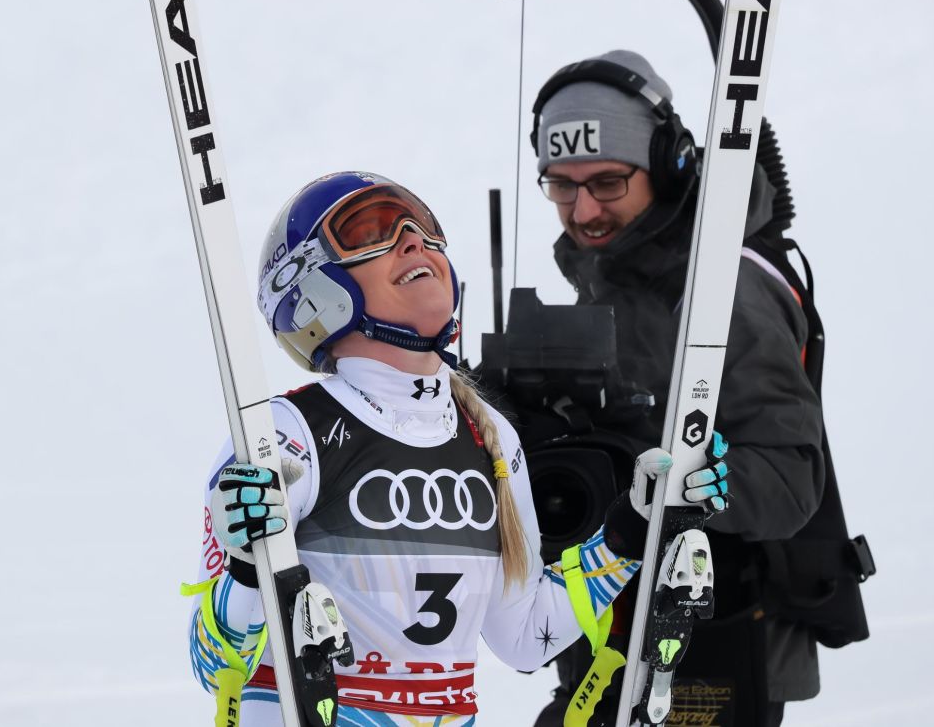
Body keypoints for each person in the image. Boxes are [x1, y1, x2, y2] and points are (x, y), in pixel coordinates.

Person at [184, 171, 731, 726]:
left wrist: (629, 531)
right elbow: (211, 665)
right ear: (311, 290)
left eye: (421, 226)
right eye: (370, 230)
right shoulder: (286, 434)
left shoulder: (489, 436)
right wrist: (244, 571)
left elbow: (523, 635)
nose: (412, 239)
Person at [526, 51, 826, 727]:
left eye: (607, 181)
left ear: (670, 166)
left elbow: (789, 478)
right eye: (560, 186)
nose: (583, 209)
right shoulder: (608, 276)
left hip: (717, 649)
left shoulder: (731, 289)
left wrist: (677, 482)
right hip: (614, 642)